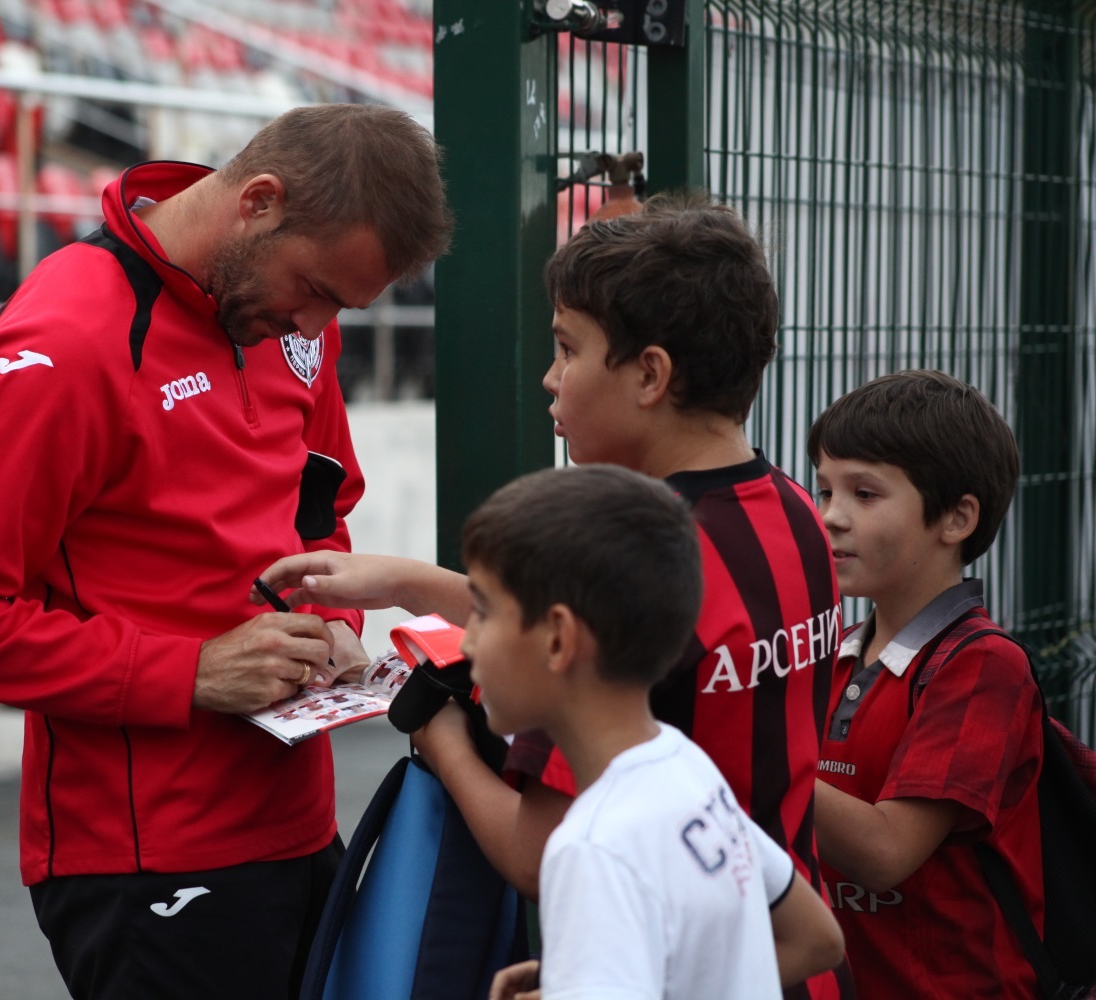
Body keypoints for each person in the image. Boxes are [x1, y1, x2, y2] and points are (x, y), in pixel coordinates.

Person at [0, 103, 452, 1000]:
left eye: (341, 306)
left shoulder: (291, 319)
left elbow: (318, 509)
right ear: (258, 202)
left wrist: (329, 618)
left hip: (297, 826)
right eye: (315, 290)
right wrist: (188, 673)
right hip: (147, 860)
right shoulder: (66, 342)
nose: (315, 325)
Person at [258, 194, 853, 999]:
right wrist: (407, 581)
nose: (549, 377)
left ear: (650, 375)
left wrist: (438, 736)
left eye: (567, 349)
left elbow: (536, 852)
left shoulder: (628, 562)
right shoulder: (794, 514)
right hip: (773, 957)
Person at [449, 465, 843, 1000]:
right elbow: (817, 939)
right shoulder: (690, 767)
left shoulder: (590, 849)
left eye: (482, 611)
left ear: (559, 639)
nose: (467, 641)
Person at [808, 370, 1042, 997]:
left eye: (864, 494)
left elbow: (887, 852)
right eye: (824, 490)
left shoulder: (983, 665)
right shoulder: (829, 652)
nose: (830, 516)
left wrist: (746, 756)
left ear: (957, 518)